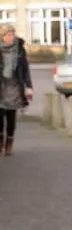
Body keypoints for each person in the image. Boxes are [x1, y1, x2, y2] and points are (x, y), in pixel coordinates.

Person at [0, 24, 34, 157]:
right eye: (8, 35)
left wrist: (29, 86)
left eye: (12, 34)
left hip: (14, 86)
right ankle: (0, 141)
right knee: (0, 116)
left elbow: (25, 68)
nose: (10, 37)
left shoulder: (19, 49)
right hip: (1, 85)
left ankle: (9, 144)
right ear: (2, 37)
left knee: (11, 117)